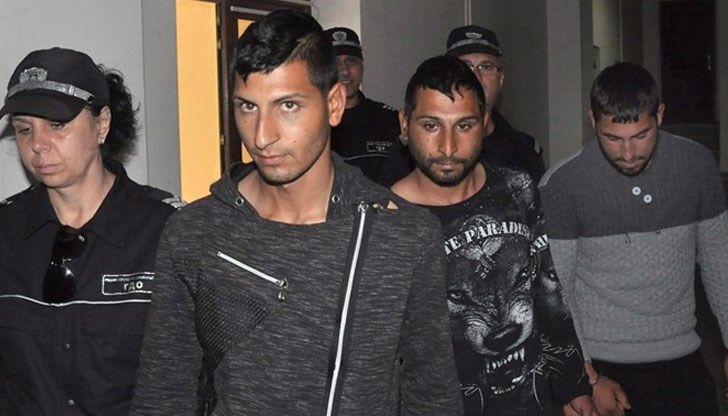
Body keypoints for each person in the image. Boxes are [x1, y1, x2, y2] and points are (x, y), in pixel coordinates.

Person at [131, 10, 462, 416]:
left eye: (287, 105)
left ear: (334, 104)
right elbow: (163, 394)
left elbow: (432, 397)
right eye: (247, 107)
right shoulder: (195, 232)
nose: (262, 135)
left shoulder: (402, 236)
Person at [391, 55, 593, 416]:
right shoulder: (383, 220)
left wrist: (572, 385)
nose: (448, 147)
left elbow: (547, 292)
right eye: (431, 125)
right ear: (405, 124)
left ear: (484, 124)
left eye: (464, 125)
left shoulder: (518, 190)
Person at [539, 62, 728, 416]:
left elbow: (720, 263)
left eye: (641, 135)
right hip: (603, 363)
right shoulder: (562, 186)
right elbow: (557, 294)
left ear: (660, 115)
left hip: (684, 357)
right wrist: (587, 377)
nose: (628, 153)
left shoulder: (697, 166)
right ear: (593, 121)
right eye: (613, 138)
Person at [0, 47, 182, 415]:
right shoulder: (6, 231)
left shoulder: (169, 229)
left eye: (57, 125)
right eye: (24, 129)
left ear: (102, 124)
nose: (38, 145)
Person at [380, 25, 545, 187]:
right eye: (465, 66)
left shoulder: (523, 150)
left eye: (486, 67)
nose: (476, 75)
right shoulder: (409, 153)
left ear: (500, 79)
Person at [324, 26, 401, 182]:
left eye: (351, 61)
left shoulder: (389, 120)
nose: (344, 71)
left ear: (362, 66)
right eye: (335, 63)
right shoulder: (313, 122)